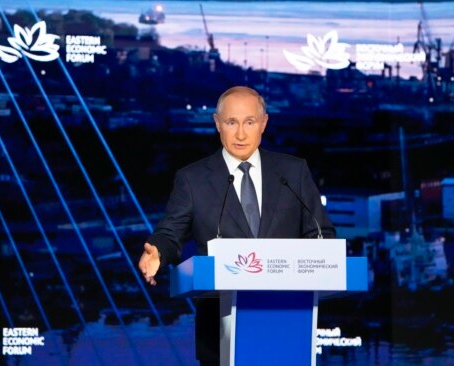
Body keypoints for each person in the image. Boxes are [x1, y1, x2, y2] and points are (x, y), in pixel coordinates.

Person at [139, 86, 335, 365]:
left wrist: (322, 255)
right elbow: (171, 232)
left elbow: (321, 233)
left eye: (250, 122)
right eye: (231, 122)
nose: (241, 134)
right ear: (217, 124)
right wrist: (158, 250)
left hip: (287, 331)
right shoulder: (192, 179)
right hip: (218, 337)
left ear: (264, 123)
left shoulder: (293, 172)